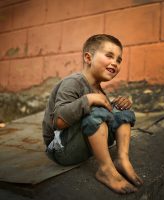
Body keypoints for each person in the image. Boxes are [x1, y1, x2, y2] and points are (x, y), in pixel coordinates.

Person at [42, 34, 143, 194]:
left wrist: (116, 106)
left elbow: (104, 118)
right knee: (96, 110)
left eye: (118, 60)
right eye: (109, 56)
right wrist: (88, 100)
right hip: (62, 148)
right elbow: (58, 122)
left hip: (84, 145)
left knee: (122, 110)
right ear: (88, 58)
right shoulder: (73, 82)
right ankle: (105, 170)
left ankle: (122, 159)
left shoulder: (99, 89)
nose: (115, 63)